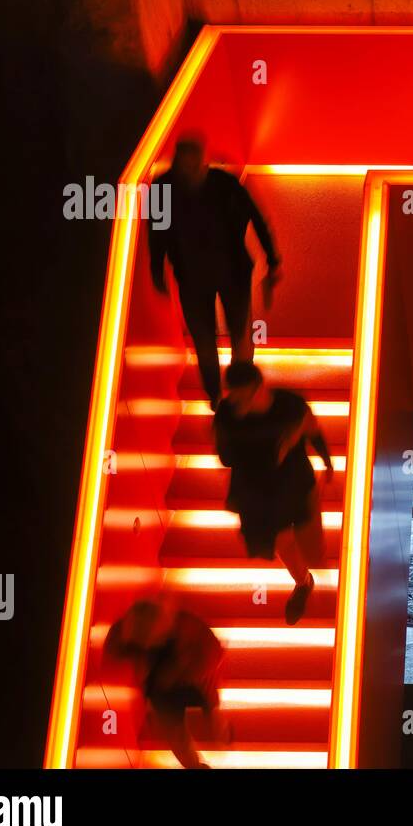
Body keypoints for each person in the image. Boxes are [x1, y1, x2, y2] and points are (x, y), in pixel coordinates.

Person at [148, 133, 282, 410]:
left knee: (214, 337)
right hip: (213, 272)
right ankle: (230, 392)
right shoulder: (221, 184)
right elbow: (257, 219)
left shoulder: (168, 188)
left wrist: (157, 268)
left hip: (205, 273)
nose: (194, 166)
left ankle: (225, 393)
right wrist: (272, 259)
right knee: (224, 336)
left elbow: (157, 232)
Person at [214, 361, 333, 624]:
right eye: (233, 397)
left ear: (259, 389)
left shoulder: (290, 405)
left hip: (296, 483)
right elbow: (226, 457)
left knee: (311, 541)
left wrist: (326, 460)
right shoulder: (227, 414)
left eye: (243, 396)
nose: (237, 403)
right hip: (257, 490)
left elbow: (312, 429)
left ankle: (312, 568)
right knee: (278, 541)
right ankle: (303, 582)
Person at [102, 598, 229, 769]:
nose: (148, 643)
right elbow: (115, 649)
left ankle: (216, 727)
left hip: (192, 679)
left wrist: (178, 671)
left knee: (204, 704)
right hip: (164, 690)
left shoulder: (187, 629)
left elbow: (212, 655)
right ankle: (196, 764)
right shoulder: (137, 631)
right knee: (173, 729)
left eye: (151, 638)